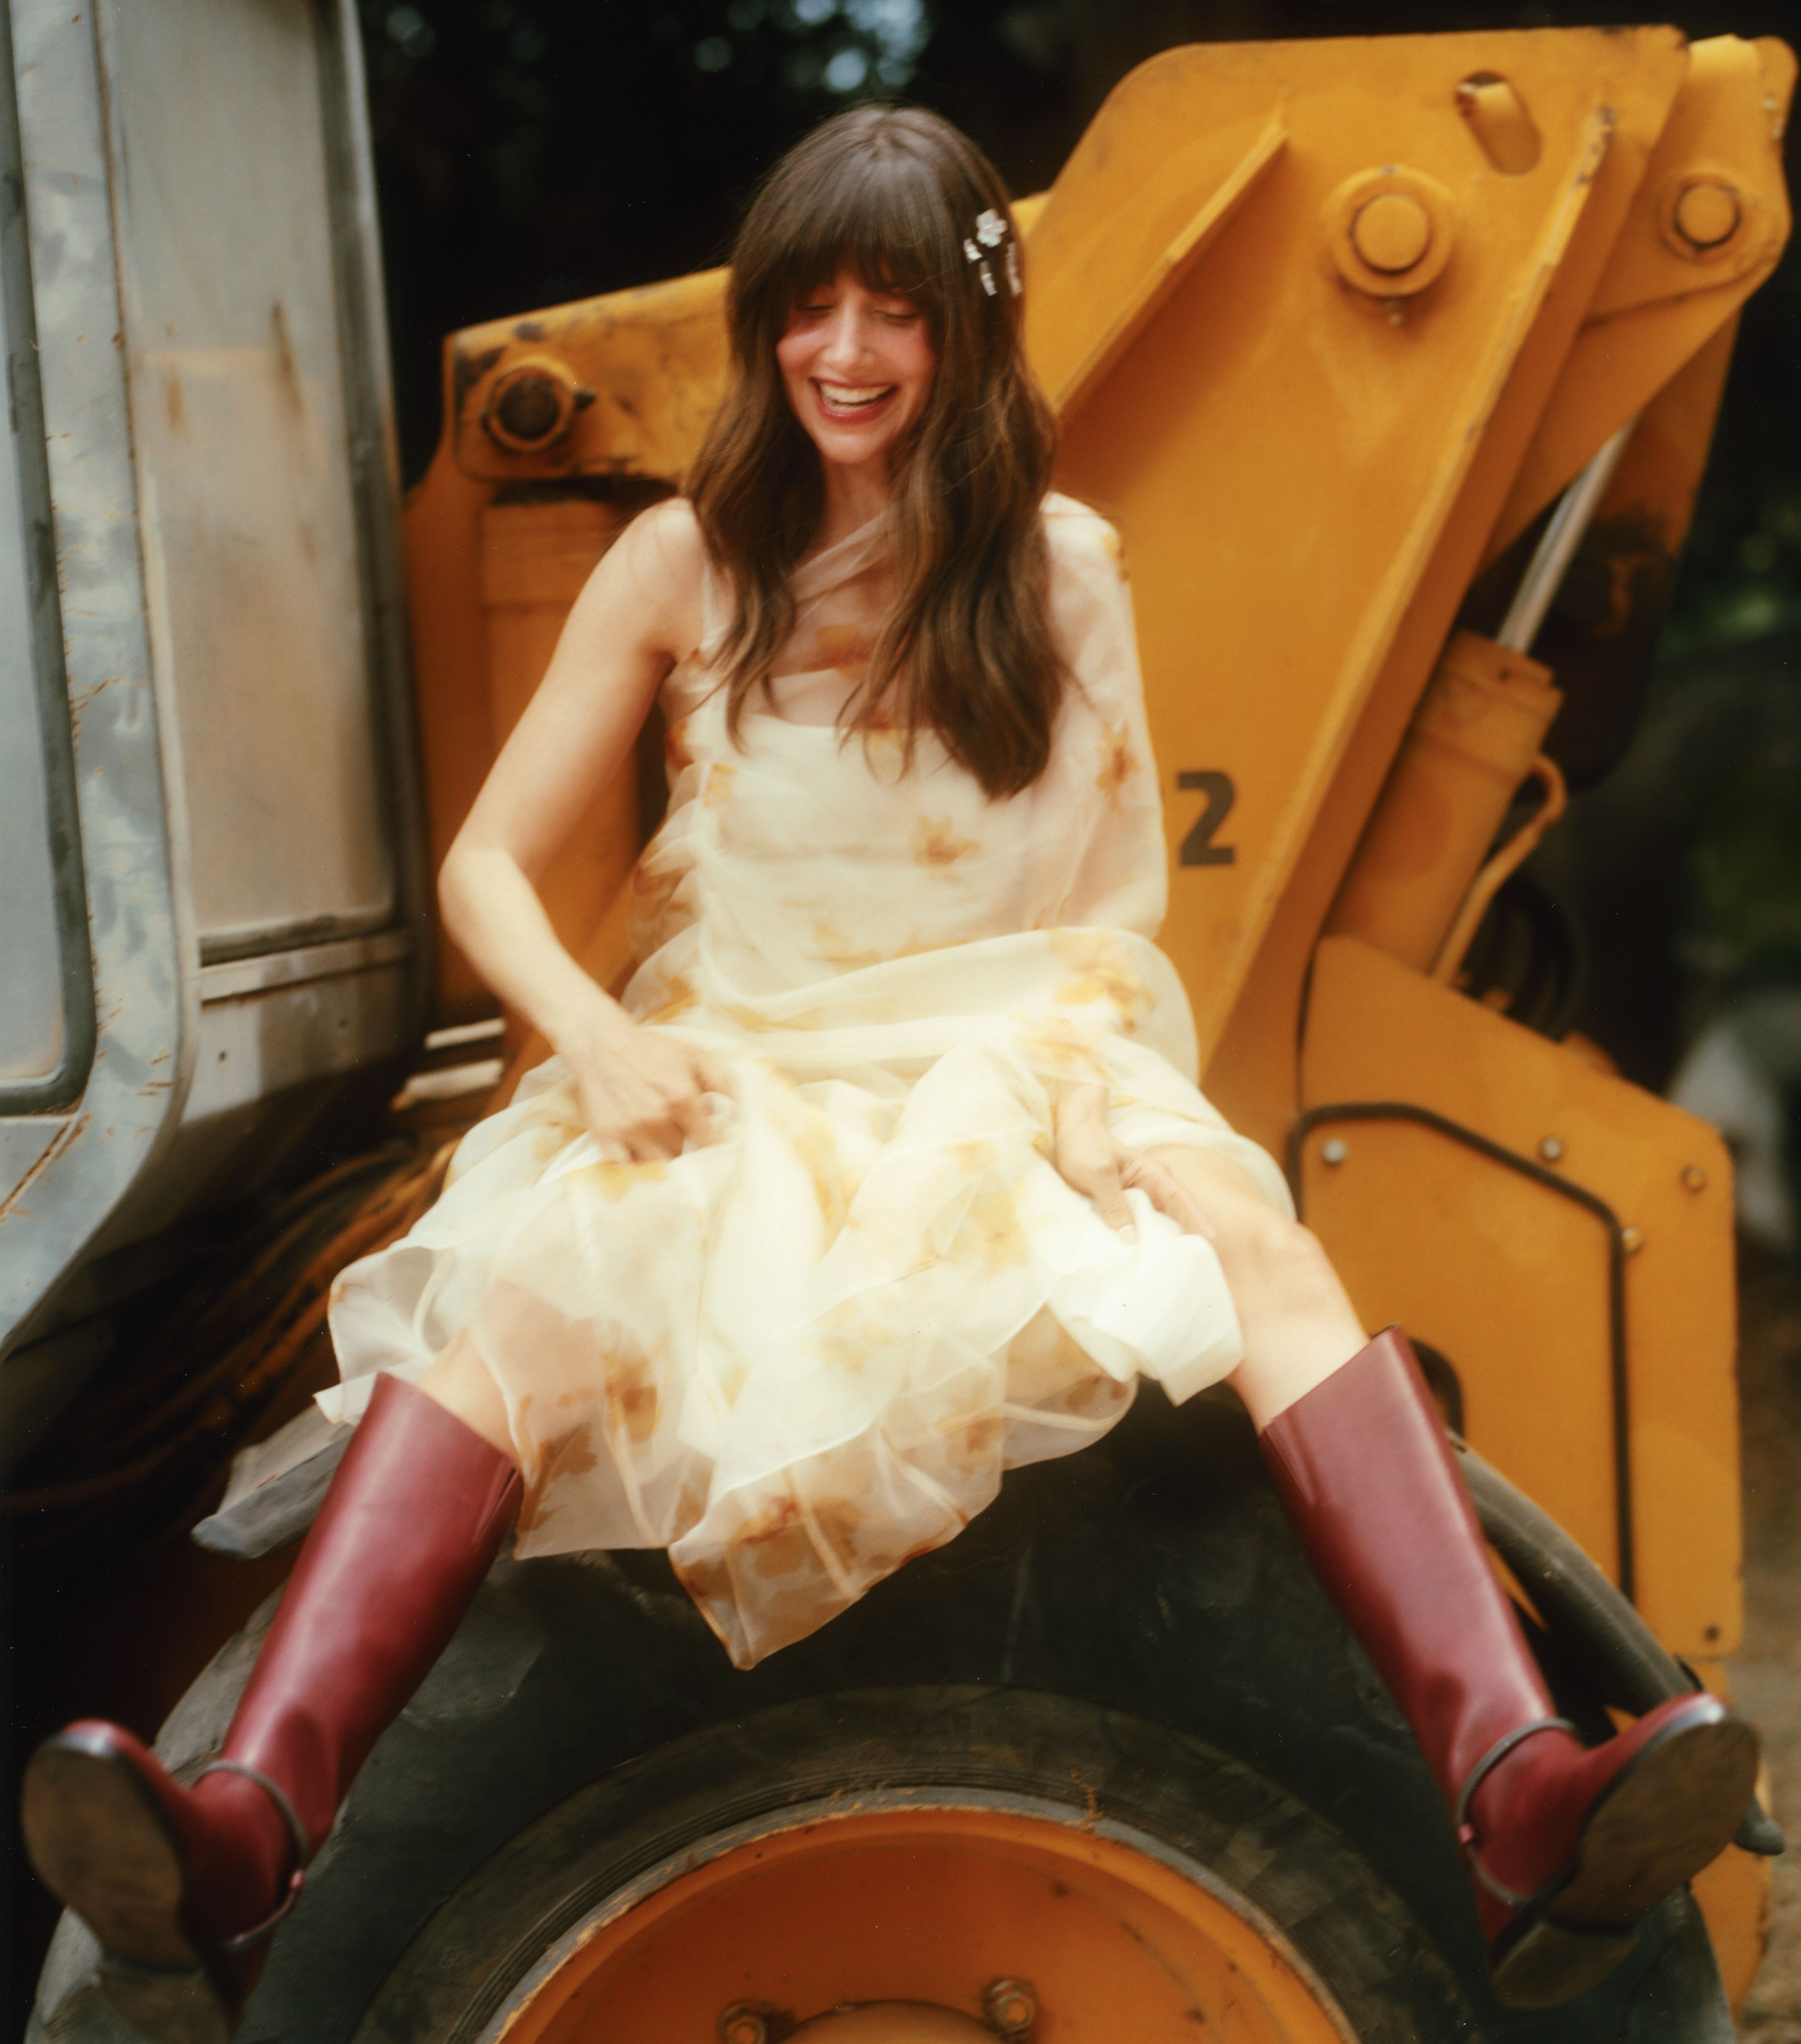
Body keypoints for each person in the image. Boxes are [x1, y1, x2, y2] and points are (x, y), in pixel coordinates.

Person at [24, 105, 1756, 2033]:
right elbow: (487, 869)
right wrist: (599, 1038)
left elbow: (1106, 905)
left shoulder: (1062, 569)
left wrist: (1097, 1089)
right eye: (810, 305)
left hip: (1001, 1057)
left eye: (897, 309)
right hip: (733, 1065)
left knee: (1254, 1246)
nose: (844, 350)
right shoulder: (684, 564)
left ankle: (1515, 1788)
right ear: (766, 320)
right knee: (521, 1322)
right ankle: (249, 1838)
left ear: (969, 331)